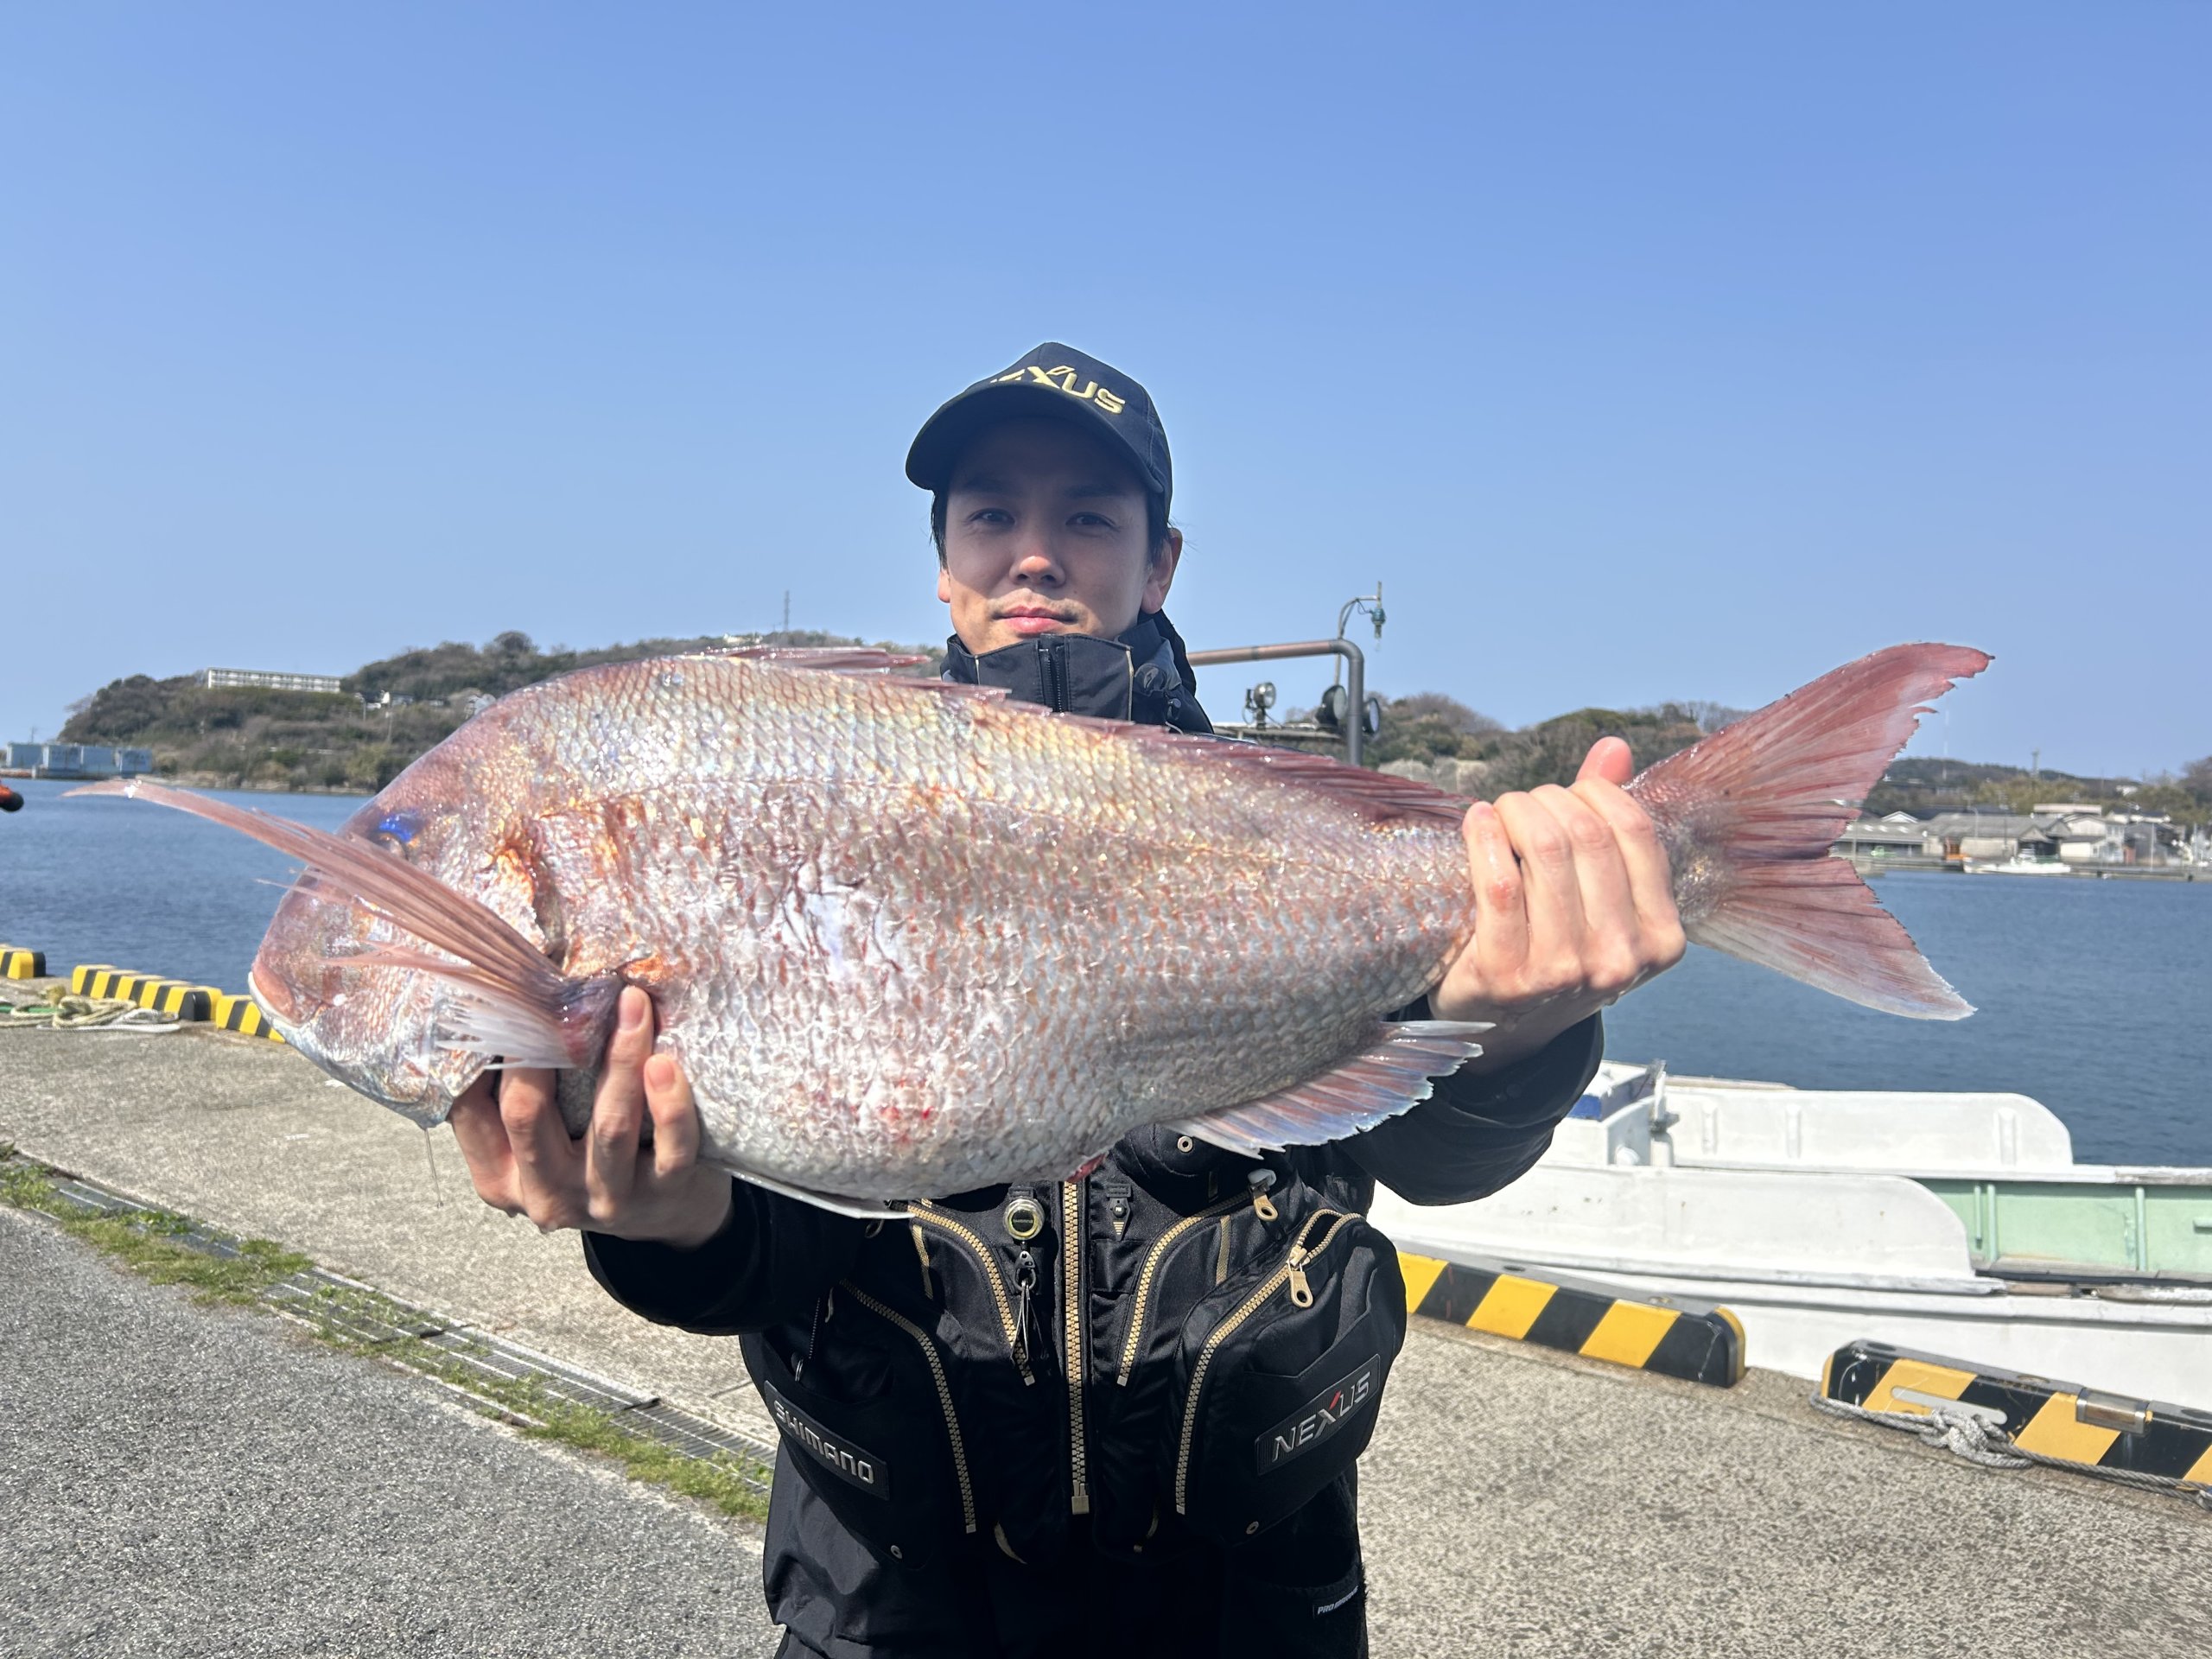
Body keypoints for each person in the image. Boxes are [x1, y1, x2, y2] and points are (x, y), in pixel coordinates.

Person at [448, 344, 1685, 1658]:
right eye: (992, 514)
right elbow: (779, 1253)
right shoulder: (819, 804)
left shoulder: (1290, 827)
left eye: (1088, 517)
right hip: (893, 1605)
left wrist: (1520, 1035)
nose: (1034, 554)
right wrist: (670, 1224)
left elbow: (1429, 1159)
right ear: (943, 561)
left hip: (1242, 1609)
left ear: (1161, 566)